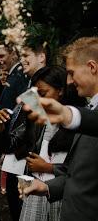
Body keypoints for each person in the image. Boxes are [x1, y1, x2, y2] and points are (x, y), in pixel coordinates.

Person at [20, 37, 98, 220]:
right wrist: (46, 187)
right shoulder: (90, 108)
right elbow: (81, 173)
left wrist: (69, 115)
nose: (69, 81)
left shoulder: (83, 115)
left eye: (71, 73)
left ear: (92, 67)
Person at [17, 66, 85, 221]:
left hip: (61, 194)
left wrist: (48, 168)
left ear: (61, 90)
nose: (37, 100)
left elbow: (81, 171)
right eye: (35, 95)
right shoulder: (39, 117)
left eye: (42, 93)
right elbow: (20, 146)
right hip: (36, 188)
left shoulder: (78, 121)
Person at [0, 42, 29, 220]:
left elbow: (17, 110)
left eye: (1, 56)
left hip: (17, 146)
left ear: (13, 53)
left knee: (17, 201)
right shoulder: (11, 74)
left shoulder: (20, 75)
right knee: (13, 199)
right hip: (9, 140)